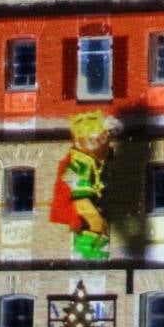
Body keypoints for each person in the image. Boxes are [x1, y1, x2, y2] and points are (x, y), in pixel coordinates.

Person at [50, 110, 121, 258]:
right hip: (85, 222)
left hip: (88, 220)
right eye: (95, 139)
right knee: (91, 249)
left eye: (104, 139)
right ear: (80, 142)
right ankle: (88, 253)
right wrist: (96, 220)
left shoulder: (93, 162)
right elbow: (81, 200)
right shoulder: (80, 165)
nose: (102, 144)